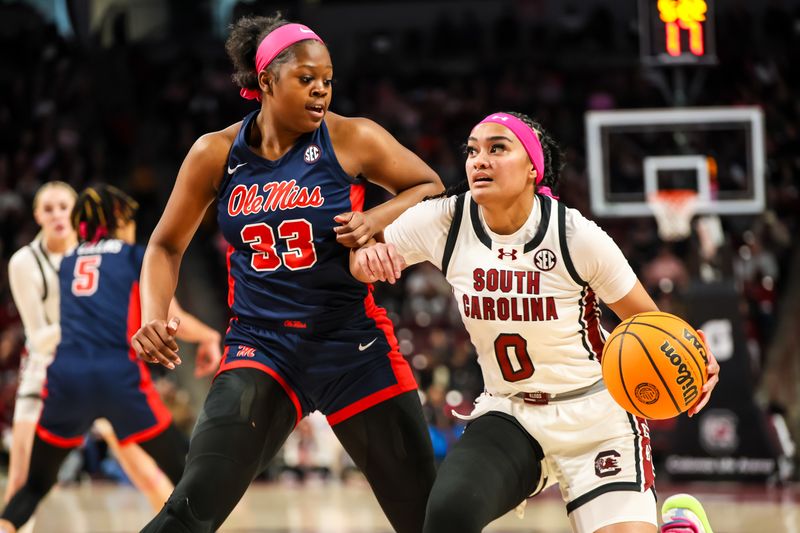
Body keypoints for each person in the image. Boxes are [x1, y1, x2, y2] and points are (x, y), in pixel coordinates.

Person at [132, 13, 442, 533]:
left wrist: (374, 220)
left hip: (352, 345)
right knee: (189, 509)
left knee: (428, 519)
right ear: (266, 81)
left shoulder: (353, 137)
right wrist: (152, 313)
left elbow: (429, 186)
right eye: (307, 79)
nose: (321, 90)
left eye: (327, 80)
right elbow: (164, 245)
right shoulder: (214, 153)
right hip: (262, 347)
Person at [351, 111, 721, 533]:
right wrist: (364, 257)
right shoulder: (446, 221)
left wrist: (694, 357)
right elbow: (363, 255)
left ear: (532, 167)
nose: (479, 160)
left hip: (596, 419)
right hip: (511, 413)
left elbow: (648, 322)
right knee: (447, 517)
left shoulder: (575, 235)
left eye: (497, 149)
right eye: (472, 151)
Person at [0, 185, 222, 533]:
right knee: (189, 473)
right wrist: (210, 335)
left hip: (64, 379)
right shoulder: (136, 256)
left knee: (32, 487)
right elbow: (169, 316)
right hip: (118, 379)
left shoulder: (70, 261)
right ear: (119, 219)